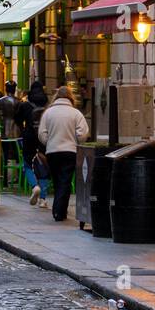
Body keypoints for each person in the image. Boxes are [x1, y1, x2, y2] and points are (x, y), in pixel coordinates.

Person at [37, 86, 89, 223]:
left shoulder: (48, 113)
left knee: (57, 180)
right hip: (70, 151)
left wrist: (50, 141)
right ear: (70, 97)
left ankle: (59, 210)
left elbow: (42, 134)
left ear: (56, 97)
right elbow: (82, 134)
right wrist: (76, 139)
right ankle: (59, 211)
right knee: (65, 181)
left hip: (52, 151)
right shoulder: (76, 113)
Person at [14, 87, 50, 208]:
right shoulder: (47, 106)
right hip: (43, 137)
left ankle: (35, 186)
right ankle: (43, 199)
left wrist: (24, 129)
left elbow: (17, 119)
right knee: (44, 165)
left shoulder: (25, 105)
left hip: (29, 136)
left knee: (28, 163)